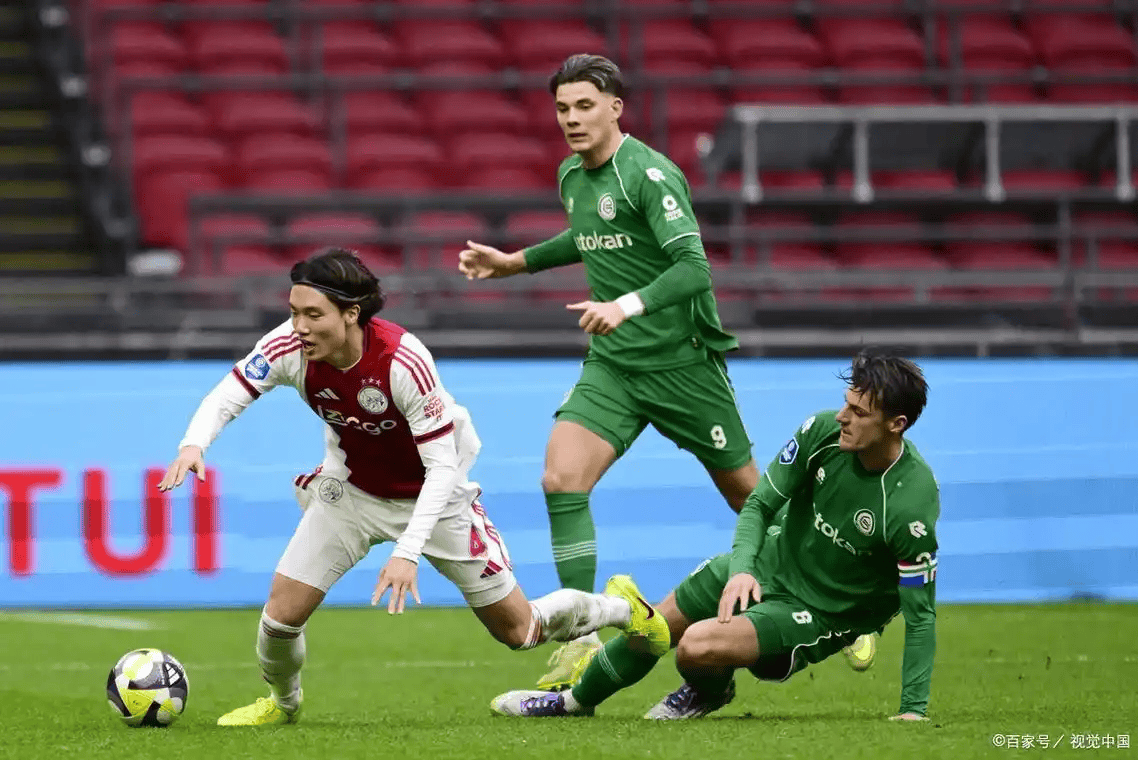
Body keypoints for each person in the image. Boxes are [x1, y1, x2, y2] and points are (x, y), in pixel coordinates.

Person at [157, 248, 670, 726]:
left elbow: (442, 469)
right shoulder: (289, 348)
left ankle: (621, 607)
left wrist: (407, 551)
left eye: (313, 314)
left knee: (521, 631)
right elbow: (229, 393)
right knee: (279, 618)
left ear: (352, 314)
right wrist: (192, 444)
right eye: (294, 312)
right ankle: (282, 704)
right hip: (351, 494)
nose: (299, 327)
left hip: (435, 500)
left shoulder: (403, 361)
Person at [456, 52, 779, 690]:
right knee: (561, 478)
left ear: (615, 108)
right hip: (615, 367)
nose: (571, 119)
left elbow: (694, 269)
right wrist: (513, 262)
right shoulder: (571, 176)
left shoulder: (649, 175)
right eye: (562, 108)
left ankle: (829, 591)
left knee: (750, 497)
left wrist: (624, 306)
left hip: (682, 366)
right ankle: (579, 635)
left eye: (584, 106)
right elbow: (588, 236)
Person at [490, 350, 938, 721]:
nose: (842, 416)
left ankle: (709, 691)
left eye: (858, 412)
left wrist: (913, 711)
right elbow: (759, 505)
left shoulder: (909, 505)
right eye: (845, 403)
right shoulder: (822, 432)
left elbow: (920, 616)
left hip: (819, 611)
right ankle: (572, 703)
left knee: (696, 648)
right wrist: (743, 570)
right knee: (656, 625)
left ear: (896, 424)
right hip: (769, 563)